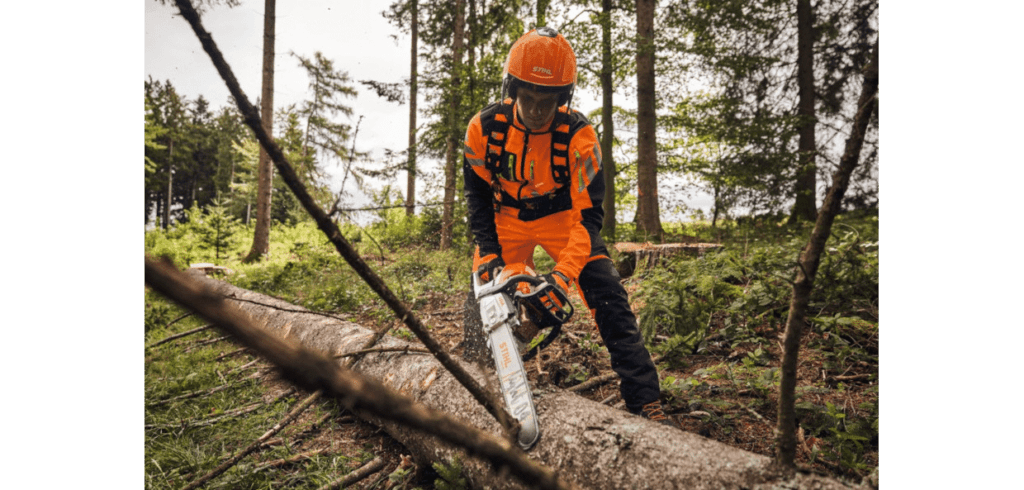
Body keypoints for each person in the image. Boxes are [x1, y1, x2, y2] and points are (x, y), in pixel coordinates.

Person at [462, 27, 671, 425]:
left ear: (564, 98)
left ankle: (645, 402)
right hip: (506, 219)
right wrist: (489, 252)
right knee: (482, 303)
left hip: (564, 219)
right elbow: (477, 199)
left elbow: (589, 216)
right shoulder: (484, 130)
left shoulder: (580, 136)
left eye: (548, 101)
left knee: (609, 295)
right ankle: (476, 385)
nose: (537, 110)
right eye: (529, 99)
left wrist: (562, 277)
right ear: (513, 89)